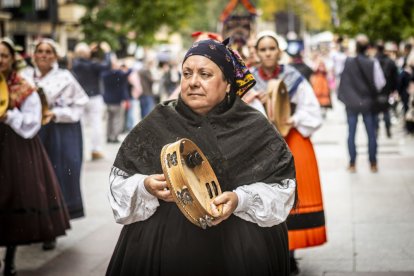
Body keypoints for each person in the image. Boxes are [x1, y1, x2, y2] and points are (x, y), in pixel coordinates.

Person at [106, 39, 297, 275]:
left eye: (205, 74)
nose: (193, 82)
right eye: (187, 73)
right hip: (166, 246)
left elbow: (282, 187)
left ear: (228, 83)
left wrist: (240, 200)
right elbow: (120, 181)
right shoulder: (158, 121)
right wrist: (146, 186)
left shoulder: (255, 126)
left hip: (239, 249)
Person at [242, 30, 326, 275]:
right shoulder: (248, 82)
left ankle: (289, 253)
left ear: (279, 52)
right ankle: (266, 253)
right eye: (263, 49)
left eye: (272, 48)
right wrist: (250, 101)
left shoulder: (294, 77)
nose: (268, 53)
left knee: (291, 195)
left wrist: (292, 118)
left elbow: (312, 112)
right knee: (261, 196)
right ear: (256, 54)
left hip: (291, 140)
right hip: (258, 145)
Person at [0, 38, 70, 275]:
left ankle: (8, 263)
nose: (0, 60)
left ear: (12, 59)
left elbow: (31, 125)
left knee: (11, 199)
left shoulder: (23, 86)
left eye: (4, 56)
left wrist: (9, 116)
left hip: (15, 147)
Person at [21, 39, 88, 248]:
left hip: (59, 132)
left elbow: (80, 105)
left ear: (55, 55)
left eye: (48, 52)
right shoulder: (24, 77)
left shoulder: (65, 78)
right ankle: (33, 225)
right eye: (39, 51)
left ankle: (51, 229)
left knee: (54, 177)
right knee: (31, 178)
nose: (43, 55)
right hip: (29, 132)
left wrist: (56, 114)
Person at [337, 34, 386, 173]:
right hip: (368, 103)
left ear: (356, 47)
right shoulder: (372, 63)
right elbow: (380, 83)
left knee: (351, 133)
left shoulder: (347, 61)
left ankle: (352, 163)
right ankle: (373, 163)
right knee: (371, 133)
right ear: (368, 47)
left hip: (351, 103)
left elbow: (341, 78)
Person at [71, 42, 112, 160]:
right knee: (96, 123)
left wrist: (89, 51)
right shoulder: (93, 65)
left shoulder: (75, 64)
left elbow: (82, 56)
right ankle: (95, 150)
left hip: (80, 97)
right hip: (94, 97)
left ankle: (81, 150)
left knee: (81, 125)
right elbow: (107, 66)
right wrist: (107, 52)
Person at [374, 42, 398, 138]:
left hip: (376, 91)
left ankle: (376, 129)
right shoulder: (390, 61)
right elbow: (395, 77)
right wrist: (394, 89)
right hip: (387, 90)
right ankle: (387, 129)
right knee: (386, 110)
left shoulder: (373, 60)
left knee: (376, 111)